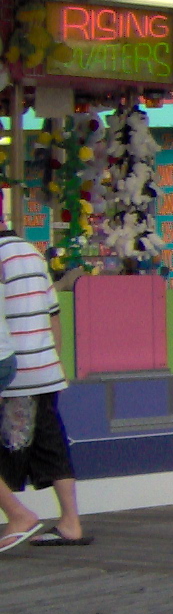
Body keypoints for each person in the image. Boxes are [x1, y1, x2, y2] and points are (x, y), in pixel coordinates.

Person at [1, 224, 88, 551]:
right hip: (45, 368)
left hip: (13, 374)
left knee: (13, 444)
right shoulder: (32, 253)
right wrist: (56, 361)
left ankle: (18, 516)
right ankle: (70, 521)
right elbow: (53, 313)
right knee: (50, 442)